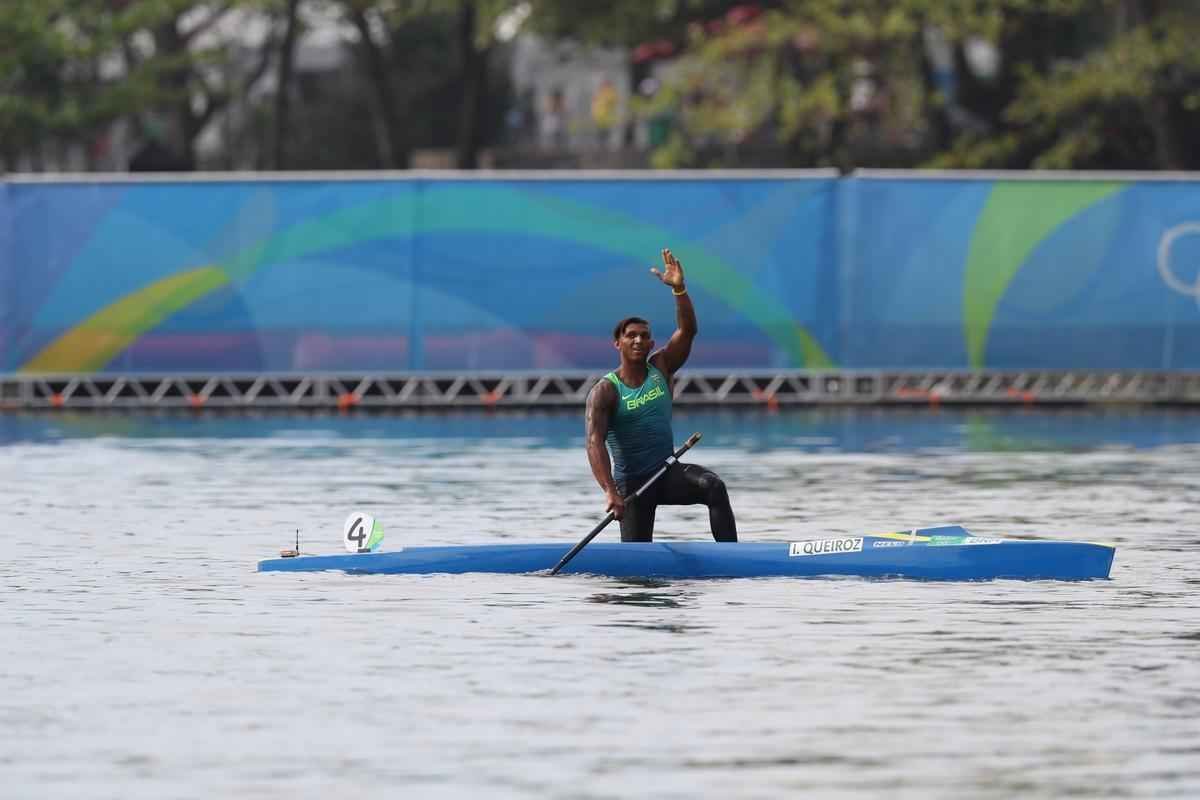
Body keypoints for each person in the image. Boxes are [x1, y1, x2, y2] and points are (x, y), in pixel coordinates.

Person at [585, 248, 738, 543]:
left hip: (667, 473)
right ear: (617, 343)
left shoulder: (661, 366)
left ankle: (732, 558)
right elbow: (594, 443)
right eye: (631, 335)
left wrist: (679, 290)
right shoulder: (605, 390)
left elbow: (688, 330)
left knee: (713, 486)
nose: (638, 340)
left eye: (644, 336)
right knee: (636, 575)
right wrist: (610, 491)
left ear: (651, 342)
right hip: (632, 485)